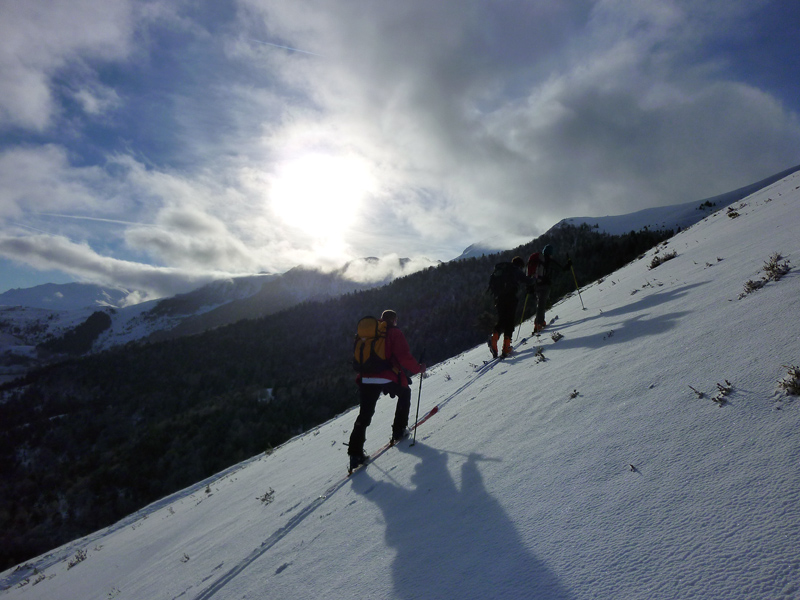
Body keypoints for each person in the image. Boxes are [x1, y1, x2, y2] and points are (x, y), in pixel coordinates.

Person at [348, 309, 425, 471]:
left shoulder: (370, 335)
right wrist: (418, 368)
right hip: (385, 376)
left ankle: (355, 453)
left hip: (366, 377)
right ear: (394, 320)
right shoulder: (394, 333)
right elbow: (404, 356)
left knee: (365, 413)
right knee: (405, 393)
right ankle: (398, 430)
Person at [488, 256, 530, 358]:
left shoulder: (502, 270)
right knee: (509, 320)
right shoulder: (516, 270)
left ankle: (494, 338)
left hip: (499, 298)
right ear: (519, 265)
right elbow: (526, 280)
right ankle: (506, 347)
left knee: (502, 319)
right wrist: (534, 279)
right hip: (510, 297)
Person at [528, 244, 572, 332]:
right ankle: (539, 323)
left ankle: (540, 322)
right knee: (542, 303)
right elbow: (561, 269)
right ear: (550, 253)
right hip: (545, 284)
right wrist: (568, 265)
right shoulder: (549, 261)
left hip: (536, 284)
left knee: (540, 303)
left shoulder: (538, 260)